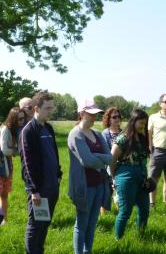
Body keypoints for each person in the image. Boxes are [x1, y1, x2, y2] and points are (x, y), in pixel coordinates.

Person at [20, 91, 62, 254]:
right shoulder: (28, 131)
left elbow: (55, 154)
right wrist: (33, 190)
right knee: (35, 225)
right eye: (47, 108)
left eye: (52, 108)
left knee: (45, 223)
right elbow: (27, 164)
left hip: (52, 186)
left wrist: (58, 176)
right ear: (37, 108)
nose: (51, 111)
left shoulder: (49, 128)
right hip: (39, 190)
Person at [68, 100, 113, 254]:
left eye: (96, 114)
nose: (94, 118)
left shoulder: (97, 134)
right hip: (84, 185)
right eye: (91, 114)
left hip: (100, 184)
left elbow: (110, 158)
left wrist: (96, 156)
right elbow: (87, 161)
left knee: (92, 222)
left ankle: (88, 251)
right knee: (82, 223)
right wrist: (99, 158)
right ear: (81, 114)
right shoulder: (76, 134)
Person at [110, 109, 150, 239]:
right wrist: (114, 177)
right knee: (125, 212)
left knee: (144, 209)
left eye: (145, 123)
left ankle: (141, 235)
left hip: (142, 177)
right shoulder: (122, 138)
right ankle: (118, 239)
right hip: (125, 177)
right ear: (133, 122)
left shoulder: (143, 138)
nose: (143, 126)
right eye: (141, 123)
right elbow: (112, 160)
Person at [0, 107, 26, 224]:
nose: (22, 121)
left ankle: (4, 219)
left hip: (7, 164)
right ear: (13, 119)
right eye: (20, 119)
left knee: (5, 194)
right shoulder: (5, 129)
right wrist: (18, 152)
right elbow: (4, 150)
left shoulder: (15, 130)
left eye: (23, 118)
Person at [101, 107, 123, 213]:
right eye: (114, 117)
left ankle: (121, 214)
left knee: (121, 192)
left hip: (122, 166)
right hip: (108, 168)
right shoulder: (105, 134)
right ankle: (104, 217)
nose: (117, 119)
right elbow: (105, 152)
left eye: (118, 116)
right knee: (107, 193)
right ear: (109, 119)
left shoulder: (124, 133)